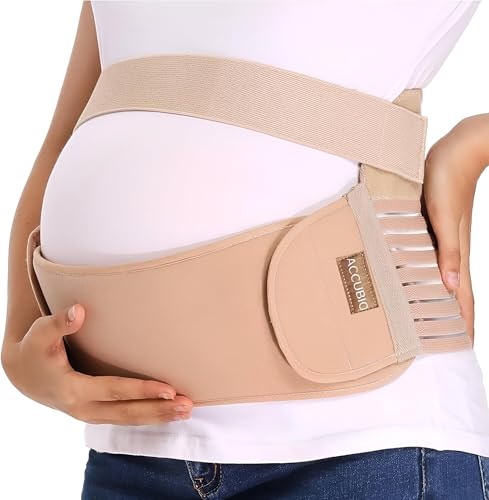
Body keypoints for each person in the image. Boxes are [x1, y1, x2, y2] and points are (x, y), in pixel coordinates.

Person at [2, 1, 489, 498]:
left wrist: (472, 144)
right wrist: (19, 343)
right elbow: (67, 135)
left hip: (363, 441)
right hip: (134, 456)